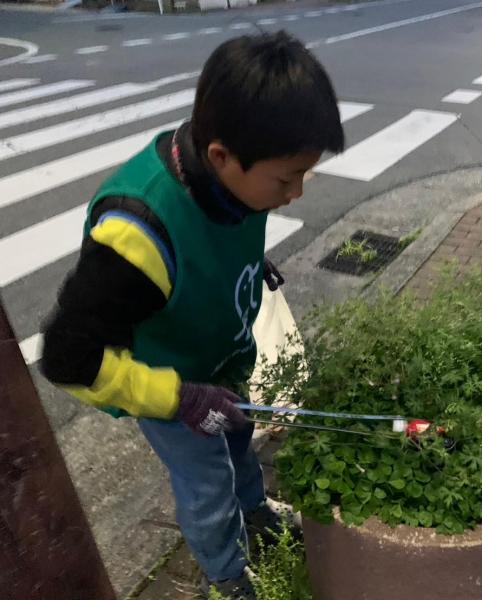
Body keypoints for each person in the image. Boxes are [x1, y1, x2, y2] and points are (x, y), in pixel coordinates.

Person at [41, 31, 344, 599]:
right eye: (286, 179)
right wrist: (179, 400)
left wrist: (247, 265)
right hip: (171, 388)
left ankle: (255, 511)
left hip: (223, 358)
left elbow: (214, 243)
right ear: (221, 157)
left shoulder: (233, 178)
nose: (296, 193)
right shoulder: (136, 237)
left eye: (305, 174)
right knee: (206, 482)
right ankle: (225, 576)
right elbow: (66, 359)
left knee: (240, 441)